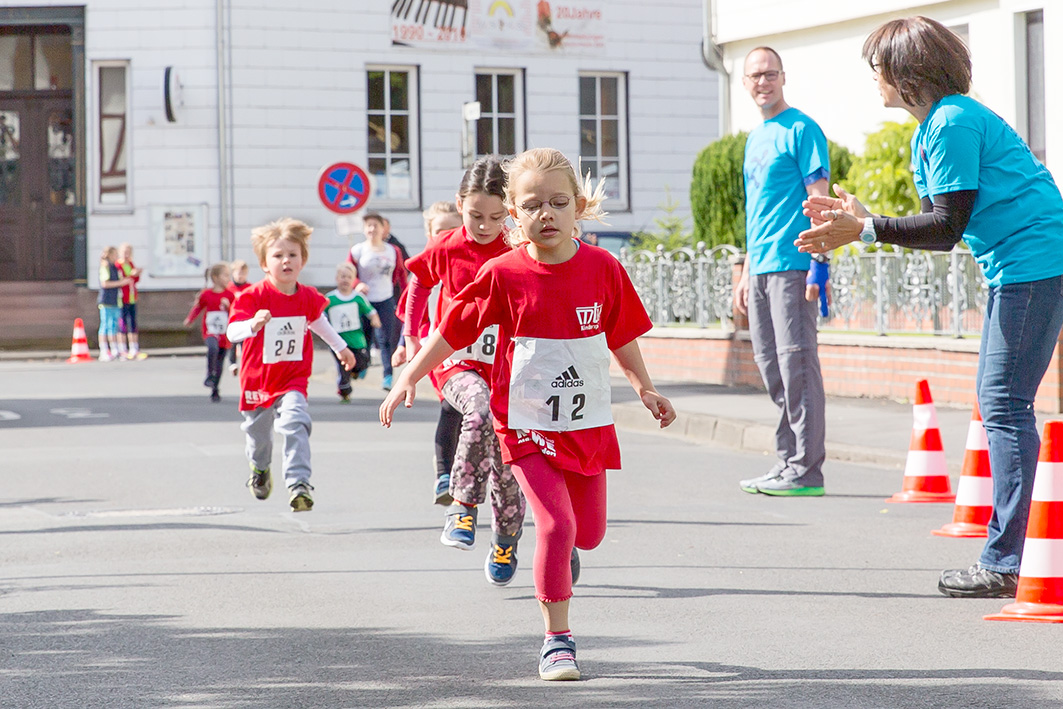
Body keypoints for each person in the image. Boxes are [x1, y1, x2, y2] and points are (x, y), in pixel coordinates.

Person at [381, 148, 676, 681]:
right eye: (532, 204)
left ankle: (561, 561)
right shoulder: (503, 273)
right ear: (514, 215)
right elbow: (453, 329)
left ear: (578, 207)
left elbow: (622, 334)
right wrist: (410, 374)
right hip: (524, 426)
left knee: (588, 534)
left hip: (586, 427)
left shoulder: (603, 268)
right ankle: (557, 641)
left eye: (559, 203)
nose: (547, 214)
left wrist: (646, 388)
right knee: (557, 526)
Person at [796, 16, 1063, 599]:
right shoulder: (934, 130)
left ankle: (1007, 560)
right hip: (1020, 266)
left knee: (1005, 404)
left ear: (907, 71)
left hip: (1034, 263)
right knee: (1003, 403)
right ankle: (1012, 553)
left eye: (879, 66)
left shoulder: (952, 122)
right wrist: (866, 219)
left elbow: (946, 227)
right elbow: (934, 220)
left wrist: (864, 229)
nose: (874, 77)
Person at [401, 156, 528, 588]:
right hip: (456, 361)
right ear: (460, 205)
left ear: (509, 211)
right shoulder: (449, 245)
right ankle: (461, 507)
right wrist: (412, 336)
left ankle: (506, 538)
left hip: (508, 369)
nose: (484, 226)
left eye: (496, 216)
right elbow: (418, 279)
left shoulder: (517, 248)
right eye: (475, 215)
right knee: (477, 409)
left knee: (507, 467)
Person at [734, 46, 830, 497]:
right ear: (746, 83)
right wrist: (745, 270)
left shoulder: (802, 129)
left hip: (794, 265)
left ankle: (807, 469)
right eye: (754, 76)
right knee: (770, 366)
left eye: (769, 74)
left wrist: (819, 264)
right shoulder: (756, 138)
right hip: (761, 268)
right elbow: (757, 210)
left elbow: (820, 201)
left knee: (797, 366)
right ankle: (785, 460)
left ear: (783, 77)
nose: (762, 82)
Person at [227, 218, 356, 512]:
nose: (286, 261)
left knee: (295, 422)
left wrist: (341, 348)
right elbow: (231, 332)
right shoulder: (252, 297)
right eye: (277, 255)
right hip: (258, 380)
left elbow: (319, 323)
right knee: (258, 438)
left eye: (292, 255)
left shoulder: (308, 296)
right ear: (263, 263)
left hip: (292, 378)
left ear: (303, 260)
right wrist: (252, 325)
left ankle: (299, 482)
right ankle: (260, 470)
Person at [393, 200, 465, 505]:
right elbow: (412, 317)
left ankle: (469, 472)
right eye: (440, 232)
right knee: (452, 409)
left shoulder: (469, 264)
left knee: (471, 416)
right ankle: (444, 475)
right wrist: (402, 346)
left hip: (479, 351)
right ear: (429, 235)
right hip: (439, 354)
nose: (446, 237)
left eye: (453, 229)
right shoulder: (426, 271)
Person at [348, 212, 406, 390]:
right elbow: (348, 273)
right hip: (364, 301)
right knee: (364, 337)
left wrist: (406, 296)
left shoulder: (392, 250)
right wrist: (357, 284)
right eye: (368, 226)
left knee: (385, 340)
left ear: (383, 229)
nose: (372, 229)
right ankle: (363, 365)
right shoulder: (357, 250)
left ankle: (387, 376)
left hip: (385, 298)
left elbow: (401, 276)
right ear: (364, 229)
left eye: (376, 225)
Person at [324, 262, 379, 402]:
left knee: (361, 362)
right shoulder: (330, 299)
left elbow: (370, 310)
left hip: (356, 339)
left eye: (349, 277)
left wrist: (374, 319)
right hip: (338, 341)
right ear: (337, 278)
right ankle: (344, 391)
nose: (345, 280)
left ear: (354, 280)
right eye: (342, 276)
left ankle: (356, 371)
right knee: (342, 368)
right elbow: (320, 315)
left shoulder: (358, 298)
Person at [184, 263, 233, 402]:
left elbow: (236, 312)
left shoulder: (230, 295)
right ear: (216, 277)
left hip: (224, 333)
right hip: (210, 330)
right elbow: (198, 307)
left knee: (220, 361)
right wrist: (190, 319)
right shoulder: (207, 294)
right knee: (212, 348)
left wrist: (229, 307)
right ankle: (209, 374)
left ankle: (215, 388)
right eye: (225, 276)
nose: (228, 279)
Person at [96, 246, 130, 362]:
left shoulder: (115, 267)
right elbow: (105, 284)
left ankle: (114, 349)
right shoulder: (105, 266)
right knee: (105, 325)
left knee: (114, 325)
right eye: (115, 254)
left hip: (116, 300)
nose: (117, 257)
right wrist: (121, 282)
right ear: (109, 255)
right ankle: (104, 350)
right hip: (106, 300)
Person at [115, 243, 145, 360]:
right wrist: (131, 275)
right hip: (122, 297)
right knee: (122, 323)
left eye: (128, 252)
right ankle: (122, 348)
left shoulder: (131, 264)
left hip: (132, 297)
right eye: (124, 252)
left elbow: (135, 280)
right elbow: (121, 279)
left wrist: (137, 274)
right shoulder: (118, 265)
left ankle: (134, 348)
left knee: (132, 322)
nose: (126, 255)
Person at [226, 259, 252, 376]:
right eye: (239, 273)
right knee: (232, 343)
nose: (241, 276)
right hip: (232, 321)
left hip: (245, 321)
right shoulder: (229, 288)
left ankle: (246, 365)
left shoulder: (250, 288)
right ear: (233, 274)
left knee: (245, 344)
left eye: (243, 273)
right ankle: (232, 364)